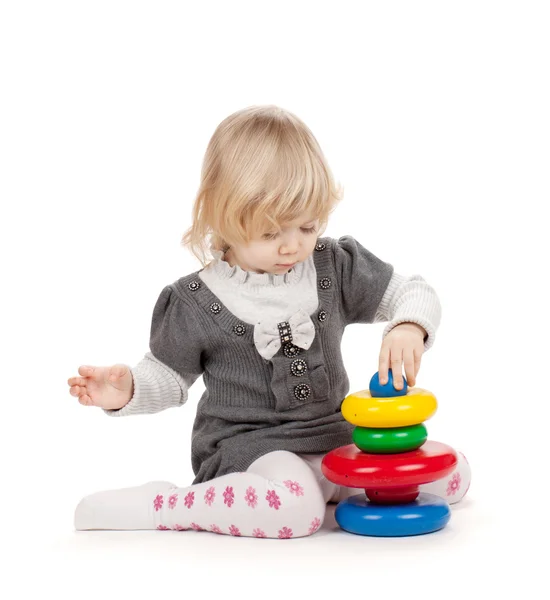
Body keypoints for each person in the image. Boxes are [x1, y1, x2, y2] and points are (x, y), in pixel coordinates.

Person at [68, 105, 471, 539]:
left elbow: (414, 291)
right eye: (270, 233)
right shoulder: (195, 299)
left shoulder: (333, 266)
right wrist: (124, 388)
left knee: (452, 475)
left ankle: (321, 491)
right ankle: (165, 506)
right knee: (295, 509)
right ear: (223, 218)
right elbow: (167, 377)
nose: (292, 246)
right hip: (250, 450)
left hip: (333, 437)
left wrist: (409, 325)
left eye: (307, 226)